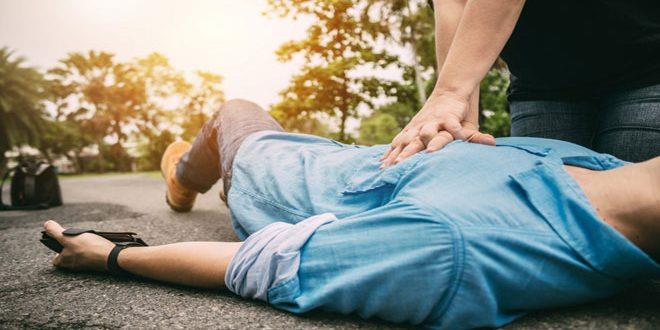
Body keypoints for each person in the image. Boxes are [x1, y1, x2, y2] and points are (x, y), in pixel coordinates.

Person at [44, 99, 659, 329]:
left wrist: (113, 255)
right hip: (356, 160)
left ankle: (182, 181)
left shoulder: (452, 248)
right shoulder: (599, 163)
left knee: (233, 113)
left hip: (276, 173)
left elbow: (264, 263)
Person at [382, 0, 660, 168]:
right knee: (548, 215)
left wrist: (449, 93)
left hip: (644, 66)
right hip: (542, 83)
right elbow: (455, 3)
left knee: (634, 229)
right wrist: (462, 117)